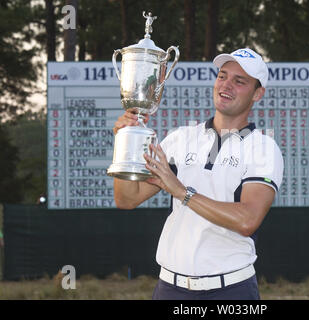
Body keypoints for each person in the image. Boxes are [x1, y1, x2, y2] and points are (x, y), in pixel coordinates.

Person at [113, 48, 284, 300]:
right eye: (223, 76)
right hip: (170, 287)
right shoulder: (181, 139)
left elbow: (247, 220)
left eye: (240, 81)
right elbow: (127, 199)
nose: (226, 85)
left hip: (230, 290)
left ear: (258, 93)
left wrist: (181, 191)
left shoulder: (263, 148)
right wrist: (124, 142)